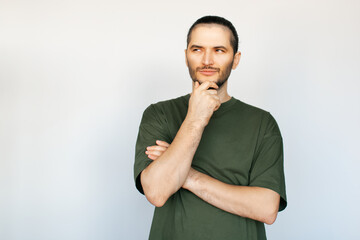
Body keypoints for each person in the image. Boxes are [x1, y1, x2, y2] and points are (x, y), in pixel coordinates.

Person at [134, 15, 287, 240]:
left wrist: (187, 177)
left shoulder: (262, 123)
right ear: (186, 56)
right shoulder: (159, 115)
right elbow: (157, 192)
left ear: (235, 59)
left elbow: (266, 208)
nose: (207, 60)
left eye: (219, 50)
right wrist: (195, 118)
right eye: (197, 49)